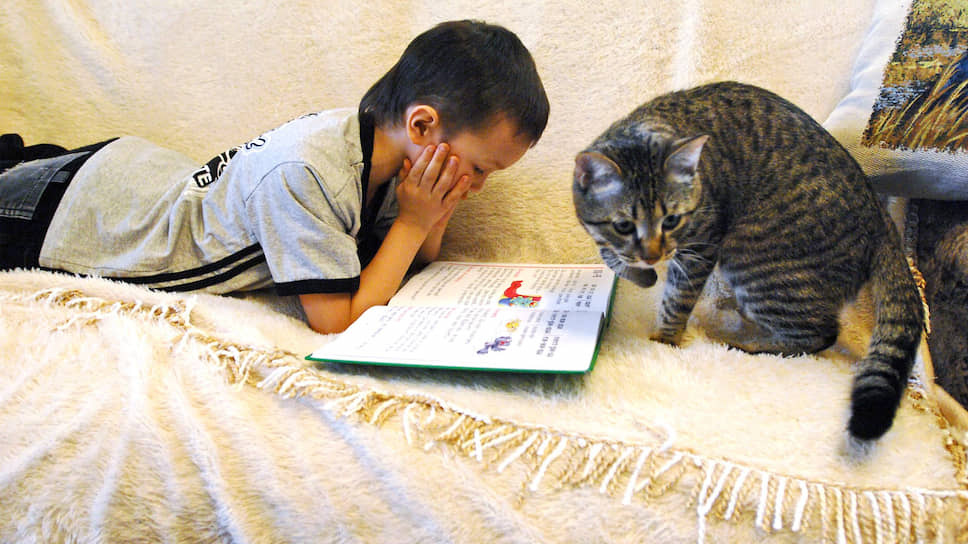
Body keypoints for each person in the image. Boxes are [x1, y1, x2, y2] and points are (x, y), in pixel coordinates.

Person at [0, 20, 549, 334]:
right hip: (73, 210)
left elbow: (416, 263)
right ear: (422, 124)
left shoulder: (385, 154)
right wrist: (413, 222)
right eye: (480, 168)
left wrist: (431, 212)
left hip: (132, 177)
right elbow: (336, 323)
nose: (479, 185)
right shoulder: (310, 174)